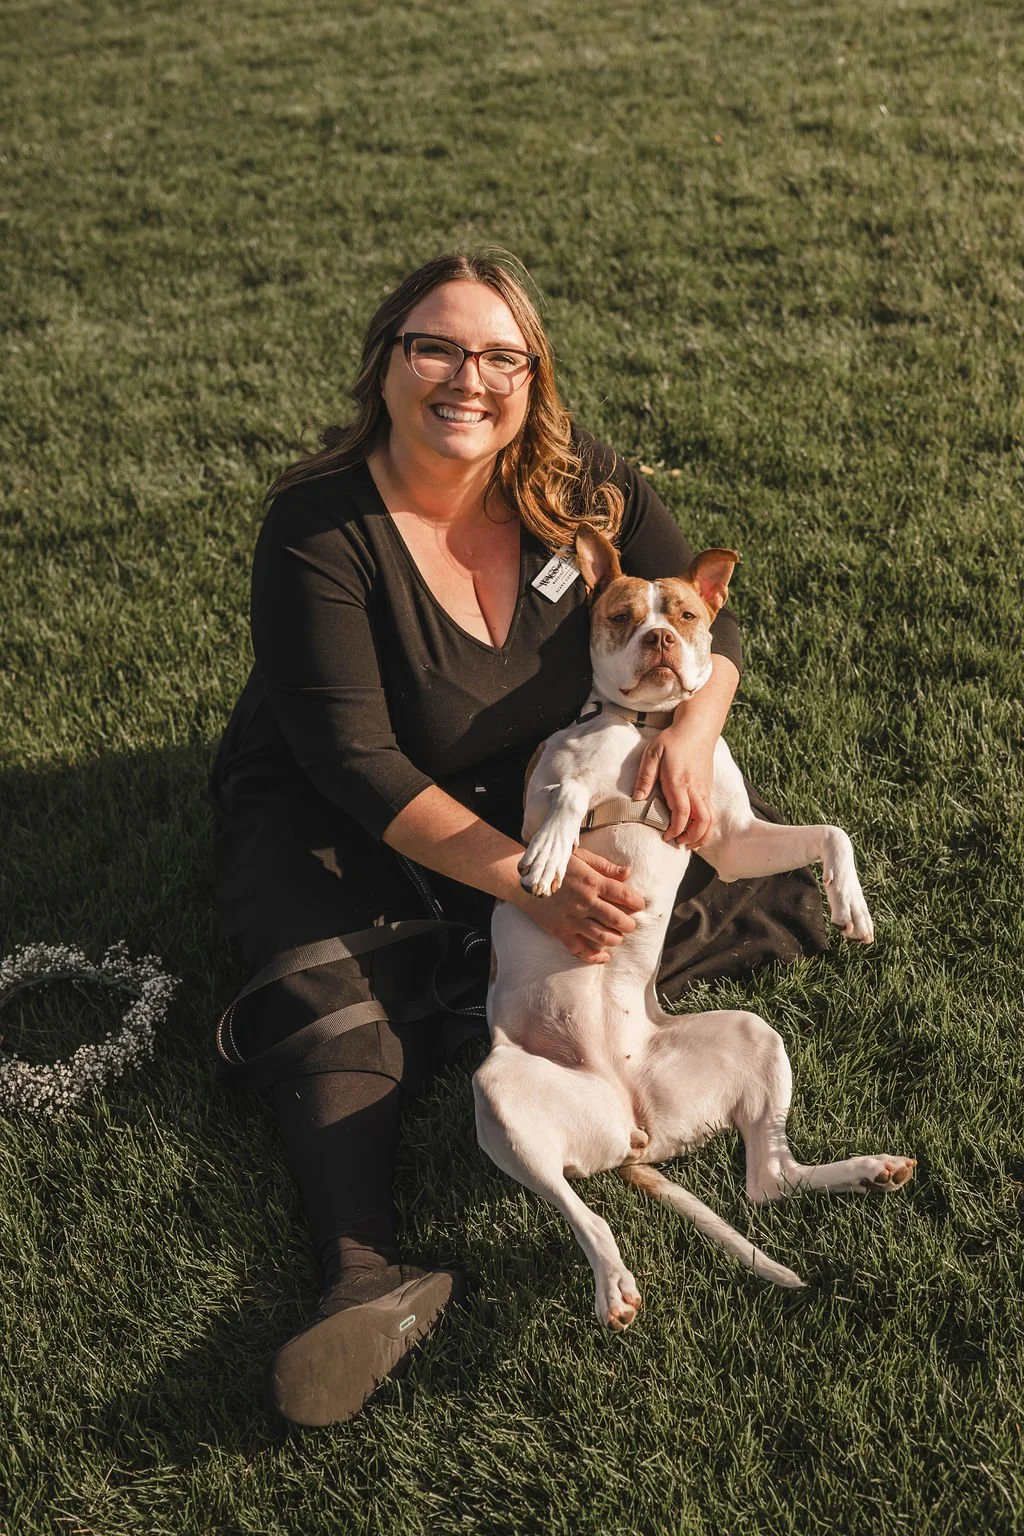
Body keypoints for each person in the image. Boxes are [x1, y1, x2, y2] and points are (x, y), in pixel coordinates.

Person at [209, 251, 827, 1427]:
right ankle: (362, 1274)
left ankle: (508, 1003)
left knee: (669, 893)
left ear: (532, 375)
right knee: (329, 995)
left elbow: (711, 613)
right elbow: (357, 762)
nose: (467, 379)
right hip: (334, 807)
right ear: (386, 360)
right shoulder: (319, 526)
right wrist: (519, 882)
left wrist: (693, 731)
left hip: (523, 783)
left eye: (502, 355)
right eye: (435, 347)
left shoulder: (578, 481)